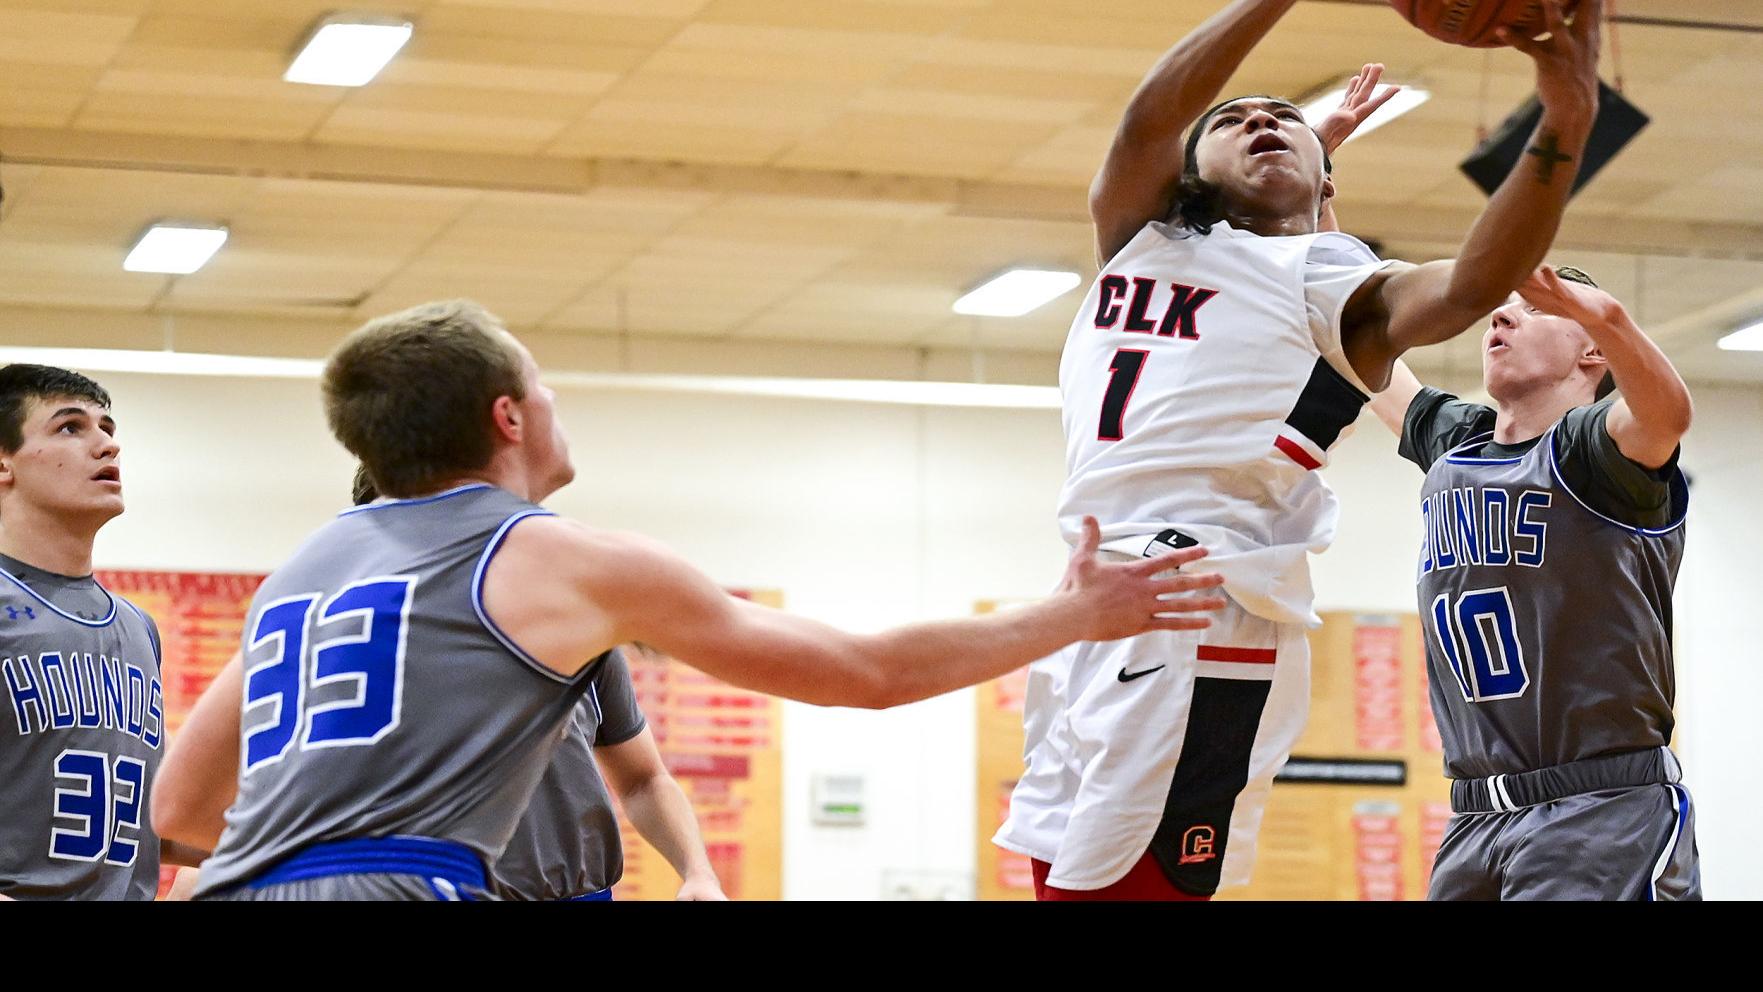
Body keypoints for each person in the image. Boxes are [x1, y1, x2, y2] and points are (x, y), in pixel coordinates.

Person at [151, 299, 1227, 900]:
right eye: (546, 390)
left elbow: (182, 814)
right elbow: (863, 673)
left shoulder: (301, 568)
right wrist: (1074, 614)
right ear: (509, 418)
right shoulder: (564, 558)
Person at [996, 0, 1604, 900]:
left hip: (1201, 601)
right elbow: (1148, 120)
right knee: (1052, 860)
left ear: (1323, 178)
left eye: (1282, 117)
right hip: (1088, 594)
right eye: (1234, 119)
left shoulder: (1334, 282)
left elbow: (1476, 279)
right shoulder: (1139, 231)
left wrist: (1565, 118)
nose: (1259, 120)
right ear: (1190, 169)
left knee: (1131, 878)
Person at [1366, 264, 1697, 900]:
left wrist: (1608, 315)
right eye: (1501, 306)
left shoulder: (1595, 452)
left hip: (1599, 805)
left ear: (1593, 350)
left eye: (1536, 310)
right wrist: (1312, 206)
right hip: (1474, 815)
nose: (1503, 316)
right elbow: (1363, 351)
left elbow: (1666, 415)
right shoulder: (1457, 446)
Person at [0, 363, 201, 899]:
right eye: (70, 427)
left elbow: (155, 818)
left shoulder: (136, 626)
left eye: (107, 430)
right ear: (3, 462)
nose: (106, 446)